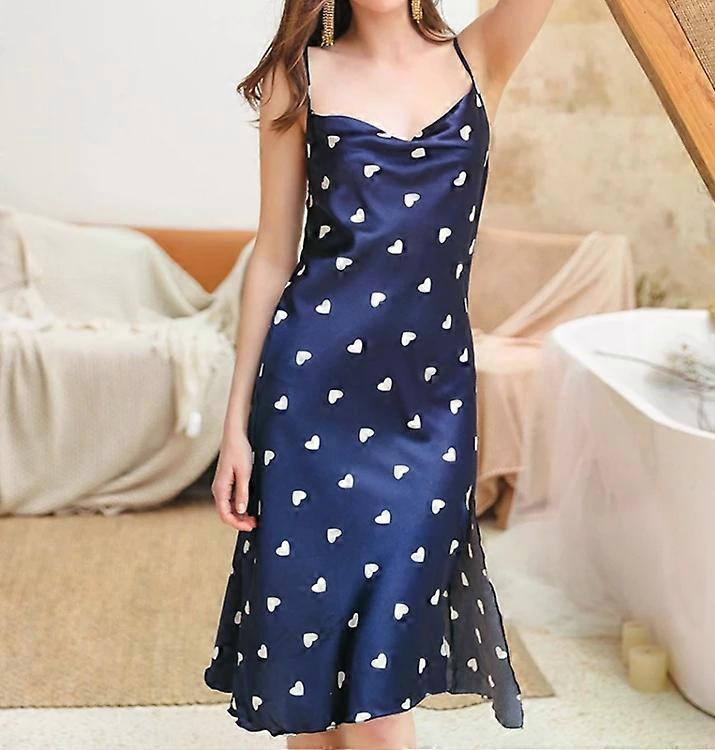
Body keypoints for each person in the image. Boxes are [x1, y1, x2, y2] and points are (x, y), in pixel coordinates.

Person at [204, 1, 553, 747]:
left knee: (382, 698)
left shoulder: (480, 58)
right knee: (310, 684)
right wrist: (236, 426)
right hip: (310, 402)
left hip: (431, 412)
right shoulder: (297, 77)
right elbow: (273, 255)